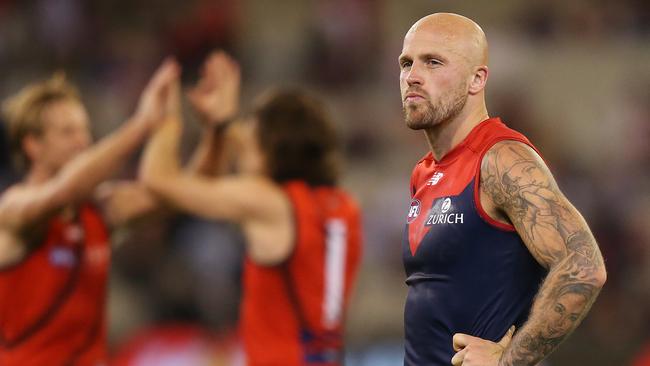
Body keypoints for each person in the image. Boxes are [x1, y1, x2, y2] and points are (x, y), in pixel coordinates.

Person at [398, 13, 606, 365]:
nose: (412, 77)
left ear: (477, 79)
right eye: (406, 63)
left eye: (433, 62)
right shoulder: (424, 171)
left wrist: (510, 360)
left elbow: (584, 267)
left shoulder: (501, 158)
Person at [139, 52, 363, 366]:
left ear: (272, 148)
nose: (244, 144)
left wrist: (166, 119)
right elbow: (247, 152)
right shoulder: (343, 205)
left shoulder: (269, 202)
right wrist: (222, 124)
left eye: (252, 134)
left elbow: (158, 180)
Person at [0, 60, 178, 365]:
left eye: (85, 130)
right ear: (33, 146)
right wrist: (140, 125)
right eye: (68, 132)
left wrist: (205, 128)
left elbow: (177, 195)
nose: (83, 141)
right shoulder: (14, 209)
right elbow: (63, 191)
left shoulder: (99, 210)